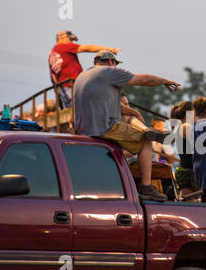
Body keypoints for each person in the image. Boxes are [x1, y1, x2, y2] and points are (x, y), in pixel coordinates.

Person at [73, 50, 180, 201]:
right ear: (111, 62)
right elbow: (144, 79)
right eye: (115, 64)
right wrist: (165, 81)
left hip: (82, 129)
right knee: (145, 142)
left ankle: (147, 130)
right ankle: (146, 186)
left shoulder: (82, 76)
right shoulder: (109, 71)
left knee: (131, 124)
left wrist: (134, 113)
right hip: (103, 127)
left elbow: (113, 106)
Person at [49, 30, 121, 109]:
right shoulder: (63, 47)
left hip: (63, 90)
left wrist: (58, 94)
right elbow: (87, 48)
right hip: (74, 86)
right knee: (86, 109)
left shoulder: (52, 55)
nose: (71, 42)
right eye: (70, 40)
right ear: (64, 38)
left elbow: (53, 77)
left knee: (72, 112)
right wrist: (109, 49)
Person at [170, 101, 198, 200]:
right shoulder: (186, 127)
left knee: (189, 200)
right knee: (189, 202)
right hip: (188, 172)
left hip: (187, 168)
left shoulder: (183, 126)